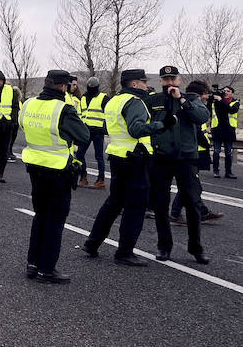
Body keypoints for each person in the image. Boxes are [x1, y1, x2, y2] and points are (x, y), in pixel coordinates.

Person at [82, 69, 169, 267]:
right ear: (135, 84)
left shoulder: (114, 101)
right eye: (143, 82)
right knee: (136, 207)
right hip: (135, 158)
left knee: (114, 203)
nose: (147, 85)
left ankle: (92, 243)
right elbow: (136, 129)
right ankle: (124, 252)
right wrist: (160, 125)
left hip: (117, 155)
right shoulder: (135, 102)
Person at [20, 70, 91, 283]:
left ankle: (33, 264)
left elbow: (23, 125)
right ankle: (47, 269)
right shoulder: (64, 109)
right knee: (55, 220)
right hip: (58, 170)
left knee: (40, 215)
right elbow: (84, 135)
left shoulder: (29, 104)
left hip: (34, 166)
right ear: (63, 87)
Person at [144, 66, 210, 264]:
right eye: (166, 79)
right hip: (162, 158)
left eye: (173, 78)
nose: (170, 82)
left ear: (179, 80)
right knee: (161, 204)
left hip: (186, 158)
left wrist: (181, 99)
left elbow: (201, 117)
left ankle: (196, 248)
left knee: (192, 203)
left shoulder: (190, 99)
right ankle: (164, 246)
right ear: (161, 81)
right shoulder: (154, 100)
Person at [170, 82, 223, 224]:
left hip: (193, 151)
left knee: (190, 185)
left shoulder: (193, 105)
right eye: (206, 93)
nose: (208, 96)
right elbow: (198, 128)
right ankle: (183, 213)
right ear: (199, 94)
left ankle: (192, 212)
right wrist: (205, 144)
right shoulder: (192, 106)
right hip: (192, 152)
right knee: (192, 185)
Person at [77, 76, 108, 188]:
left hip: (98, 132)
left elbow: (109, 114)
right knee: (79, 154)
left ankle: (101, 180)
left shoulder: (103, 98)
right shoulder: (83, 98)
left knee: (99, 156)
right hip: (86, 131)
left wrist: (105, 128)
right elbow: (80, 114)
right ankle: (83, 177)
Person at [211, 85, 237, 179]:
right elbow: (209, 109)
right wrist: (213, 97)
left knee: (228, 153)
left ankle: (228, 172)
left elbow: (231, 110)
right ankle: (216, 171)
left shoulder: (235, 102)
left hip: (229, 131)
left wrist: (220, 100)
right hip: (217, 130)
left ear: (232, 93)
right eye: (224, 90)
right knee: (216, 152)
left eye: (228, 91)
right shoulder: (216, 102)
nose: (225, 92)